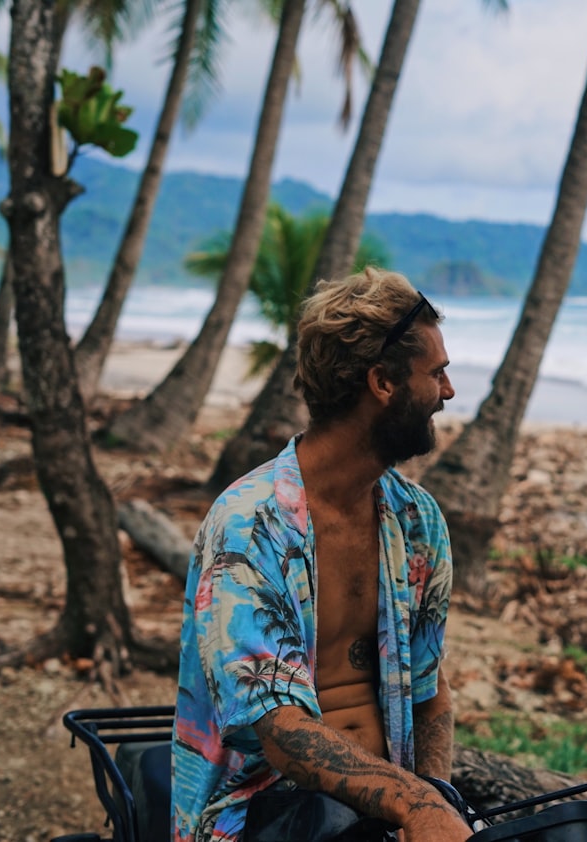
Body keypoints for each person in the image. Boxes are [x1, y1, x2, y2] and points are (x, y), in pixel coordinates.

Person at [171, 267, 472, 842]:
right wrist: (414, 804)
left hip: (386, 812)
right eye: (437, 373)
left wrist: (437, 801)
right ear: (382, 383)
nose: (449, 393)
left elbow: (431, 697)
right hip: (263, 811)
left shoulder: (418, 522)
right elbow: (280, 731)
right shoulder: (250, 525)